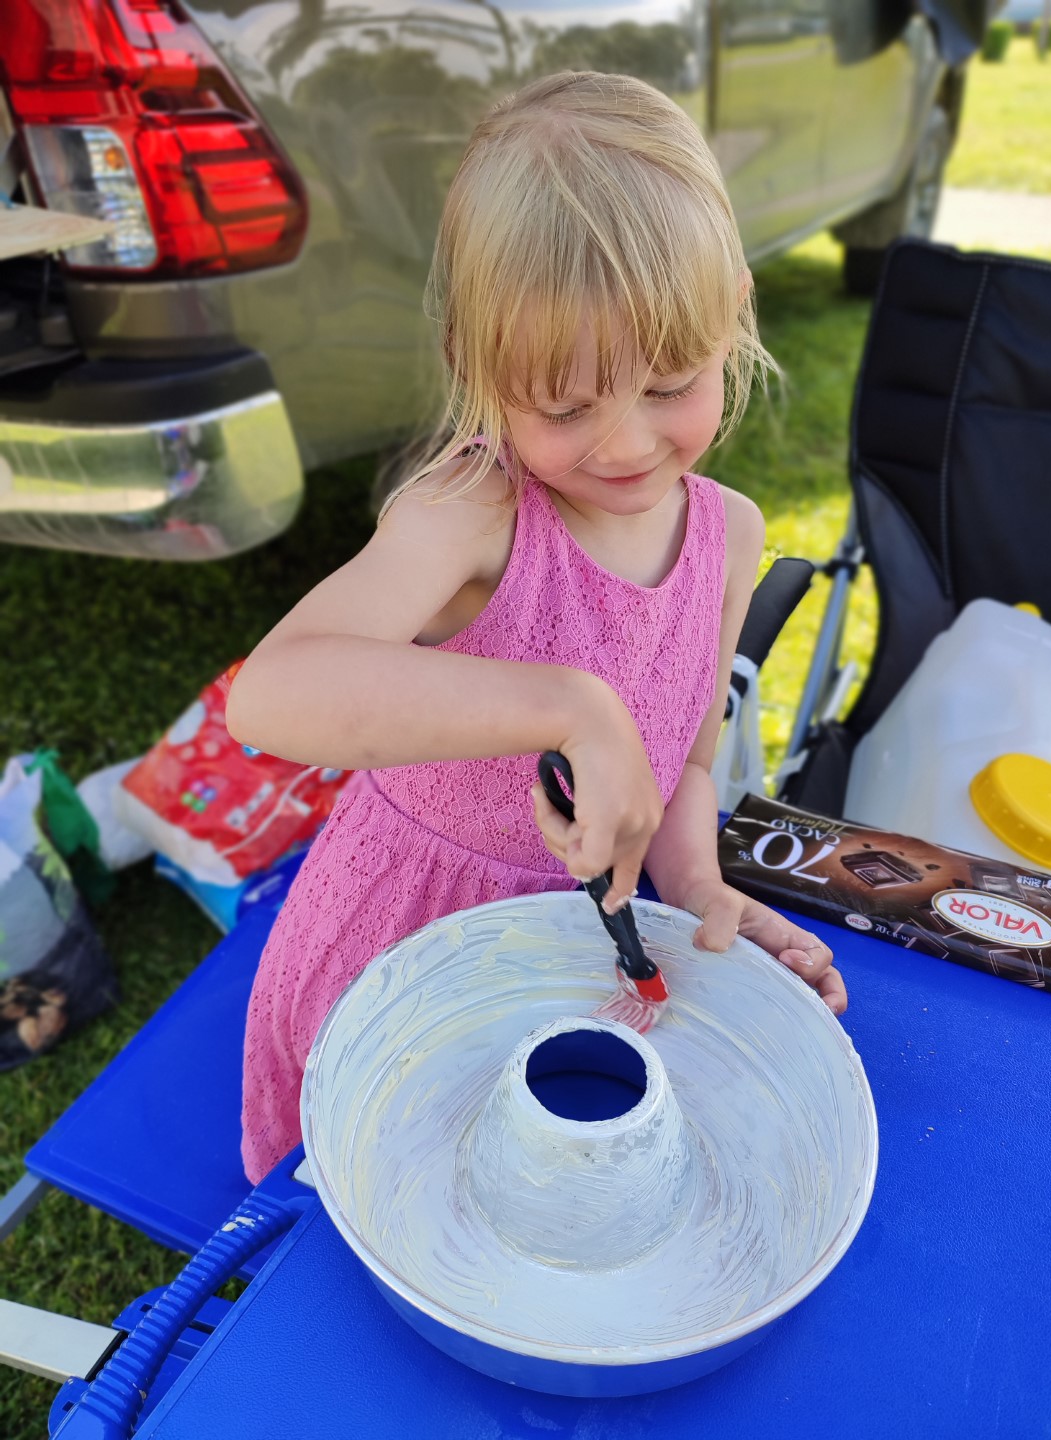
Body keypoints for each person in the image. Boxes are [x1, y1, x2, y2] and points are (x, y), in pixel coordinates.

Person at [227, 70, 847, 1183]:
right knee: (381, 1224)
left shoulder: (730, 535)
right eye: (564, 406)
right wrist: (570, 702)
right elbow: (272, 694)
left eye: (670, 383)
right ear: (483, 370)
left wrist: (699, 886)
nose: (624, 443)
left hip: (576, 961)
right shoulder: (473, 513)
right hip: (401, 960)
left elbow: (685, 765)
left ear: (733, 316)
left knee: (540, 1208)